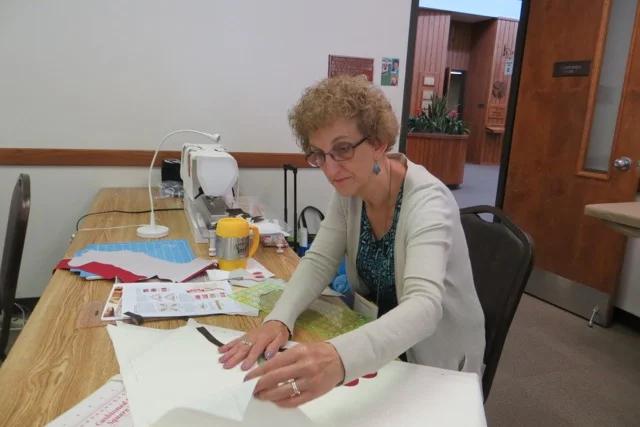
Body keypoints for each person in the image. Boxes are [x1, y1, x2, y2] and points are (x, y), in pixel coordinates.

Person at [218, 75, 485, 408]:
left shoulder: (428, 201)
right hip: (379, 341)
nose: (330, 169)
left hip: (436, 361)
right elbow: (319, 261)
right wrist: (279, 318)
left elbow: (425, 306)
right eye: (319, 154)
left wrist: (337, 359)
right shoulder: (351, 191)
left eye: (342, 149)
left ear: (378, 143)